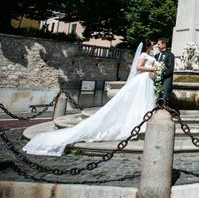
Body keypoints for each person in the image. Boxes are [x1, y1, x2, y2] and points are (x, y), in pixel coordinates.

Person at [23, 40, 158, 156]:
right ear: (148, 45)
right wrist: (151, 70)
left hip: (146, 80)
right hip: (143, 80)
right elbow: (138, 67)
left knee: (142, 101)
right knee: (139, 101)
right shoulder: (144, 54)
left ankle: (143, 121)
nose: (154, 45)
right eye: (153, 44)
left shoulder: (149, 55)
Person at [154, 37, 175, 105]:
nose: (157, 46)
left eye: (159, 44)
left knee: (164, 97)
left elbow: (170, 69)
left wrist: (161, 74)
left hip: (166, 80)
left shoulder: (170, 55)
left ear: (164, 44)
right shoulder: (156, 56)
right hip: (157, 80)